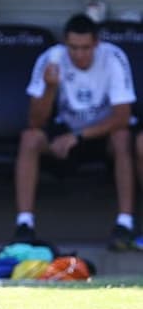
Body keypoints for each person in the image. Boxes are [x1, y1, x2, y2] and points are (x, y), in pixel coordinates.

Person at [12, 13, 136, 250]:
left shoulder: (113, 57)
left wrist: (79, 136)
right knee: (29, 138)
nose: (79, 54)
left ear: (96, 43)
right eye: (73, 48)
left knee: (122, 137)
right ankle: (24, 224)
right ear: (65, 43)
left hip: (100, 135)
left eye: (86, 48)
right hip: (64, 133)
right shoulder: (51, 58)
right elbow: (35, 121)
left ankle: (125, 223)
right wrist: (49, 88)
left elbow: (122, 116)